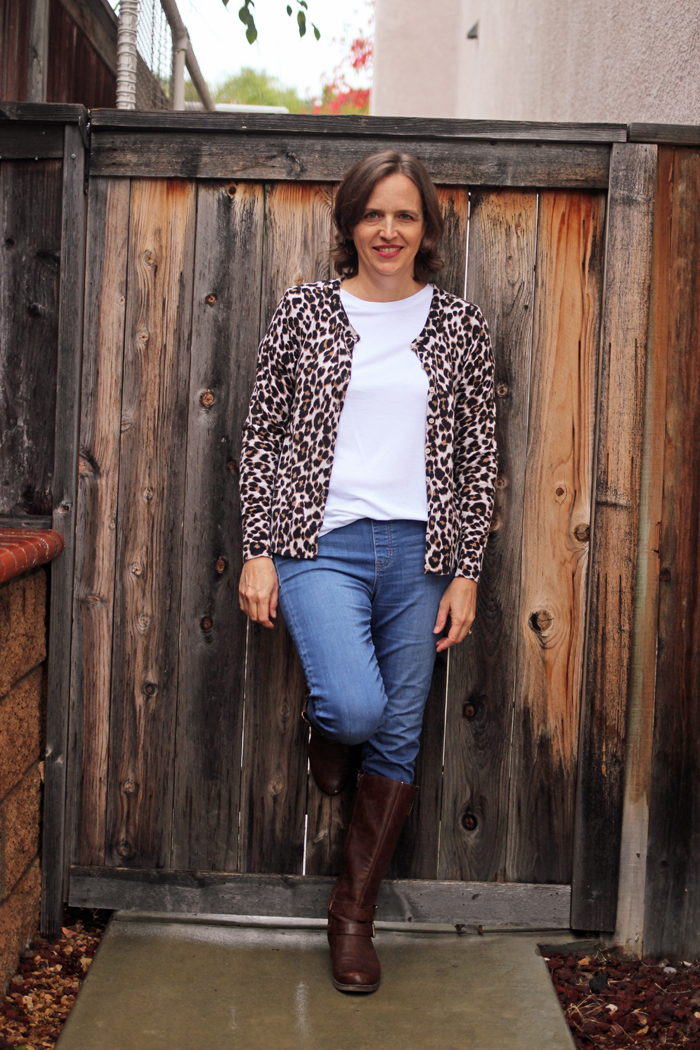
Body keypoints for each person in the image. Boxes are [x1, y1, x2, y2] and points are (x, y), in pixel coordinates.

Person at [238, 150, 497, 994]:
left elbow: (476, 460)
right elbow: (265, 436)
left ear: (426, 231)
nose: (389, 231)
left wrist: (466, 571)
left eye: (406, 216)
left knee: (398, 734)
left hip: (422, 553)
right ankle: (327, 733)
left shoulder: (457, 325)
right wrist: (259, 548)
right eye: (374, 214)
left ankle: (352, 919)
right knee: (353, 706)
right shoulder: (306, 312)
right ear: (351, 223)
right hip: (322, 544)